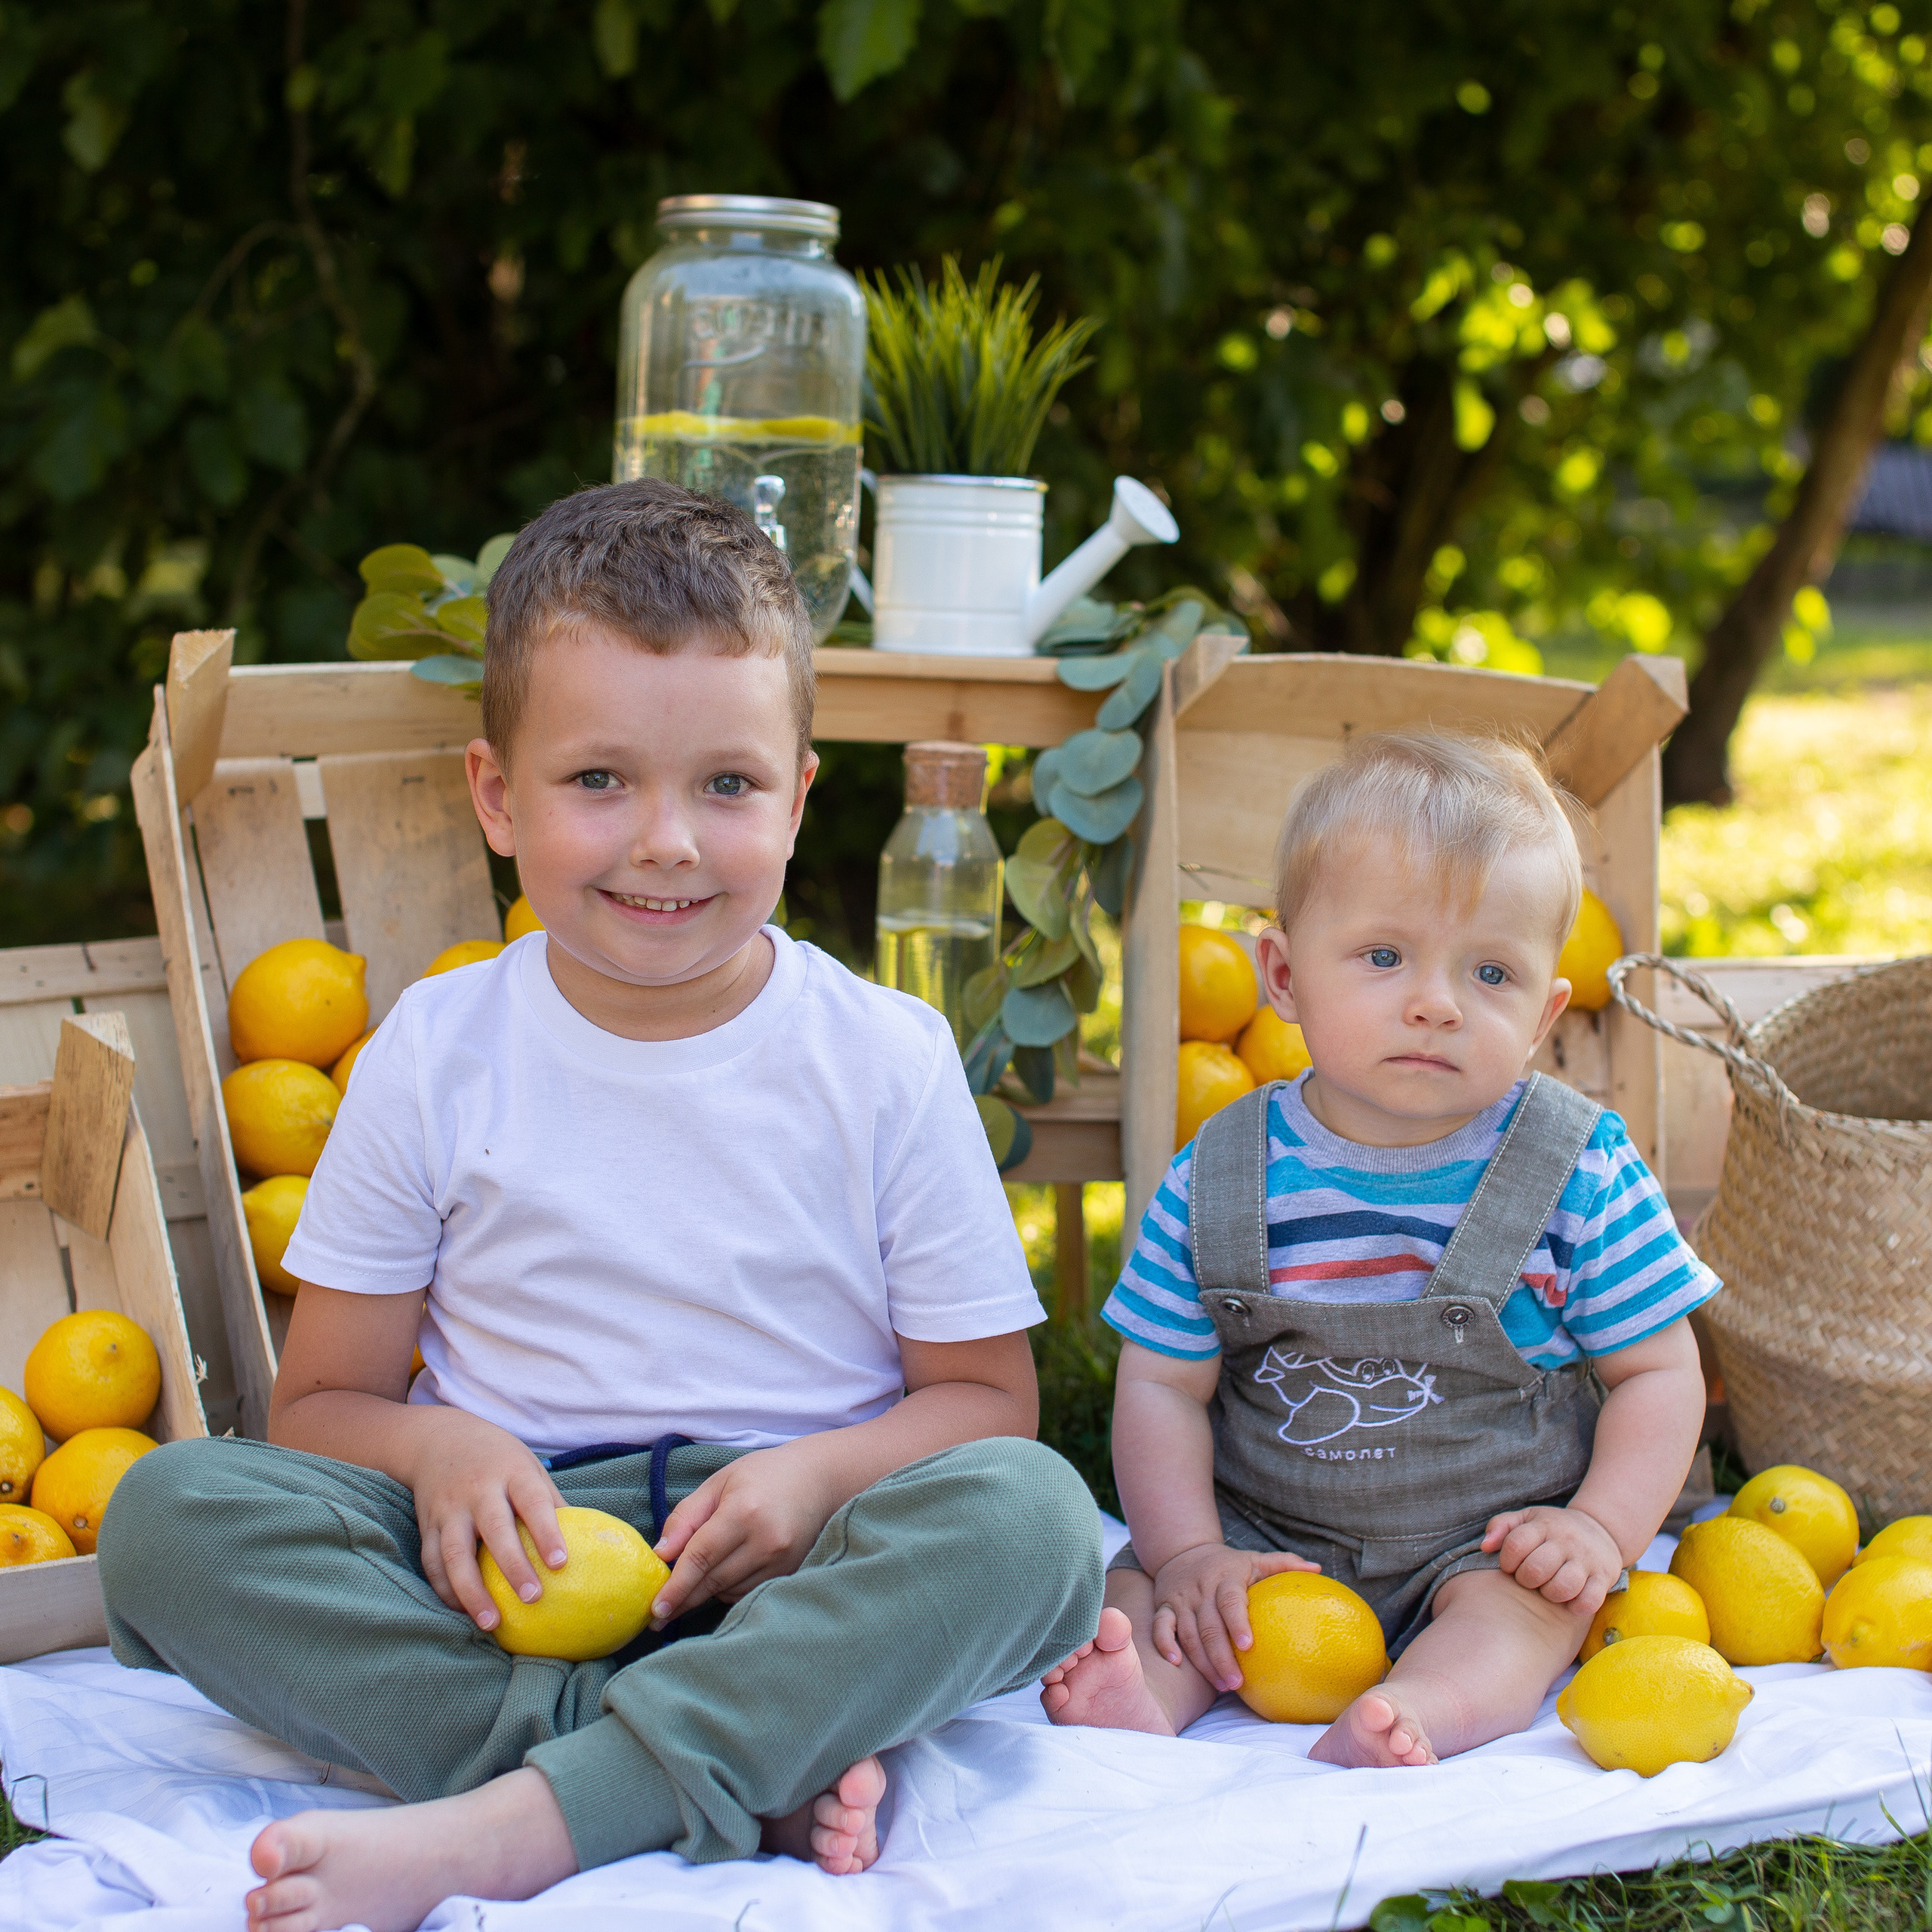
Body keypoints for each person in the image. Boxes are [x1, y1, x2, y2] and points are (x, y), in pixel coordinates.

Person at [99, 478, 1103, 1932]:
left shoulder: (881, 1056)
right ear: (498, 797)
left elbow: (983, 1404)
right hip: (506, 1559)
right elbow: (318, 1408)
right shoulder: (436, 1053)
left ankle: (519, 1812)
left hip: (793, 1554)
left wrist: (818, 1479)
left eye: (727, 785)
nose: (667, 841)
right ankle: (698, 1765)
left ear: (800, 795)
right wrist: (441, 1451)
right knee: (171, 1523)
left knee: (1033, 1523)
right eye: (598, 782)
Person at [1041, 731, 1717, 1768]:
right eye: (1384, 956)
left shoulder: (1575, 1169)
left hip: (1489, 1539)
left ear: (1543, 1013)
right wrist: (1190, 1552)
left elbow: (1661, 1373)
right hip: (1262, 1529)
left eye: (1489, 971)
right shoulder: (1221, 1171)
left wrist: (1597, 1529)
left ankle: (1428, 1709)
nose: (1435, 1002)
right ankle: (1142, 1698)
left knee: (1526, 1617)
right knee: (1170, 1601)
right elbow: (1164, 1387)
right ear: (1282, 973)